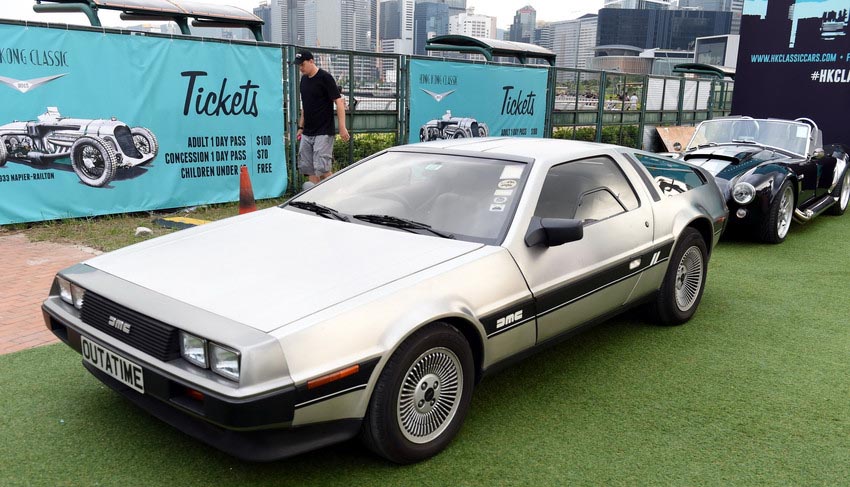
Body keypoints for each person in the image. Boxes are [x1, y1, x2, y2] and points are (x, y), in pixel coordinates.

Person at [294, 50, 350, 184]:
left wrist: (342, 127)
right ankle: (314, 197)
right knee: (309, 168)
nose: (300, 68)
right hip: (308, 131)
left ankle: (336, 192)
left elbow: (339, 102)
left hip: (324, 131)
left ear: (311, 61)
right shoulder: (303, 80)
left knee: (323, 167)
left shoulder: (325, 77)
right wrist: (301, 127)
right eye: (299, 66)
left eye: (302, 65)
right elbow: (305, 106)